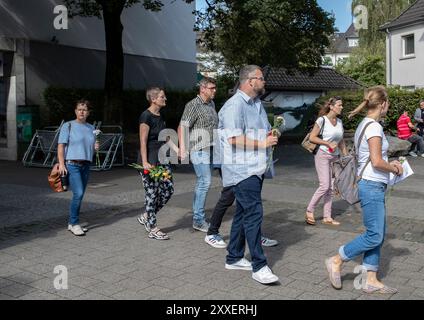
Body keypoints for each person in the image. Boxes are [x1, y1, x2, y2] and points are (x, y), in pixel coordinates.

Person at [325, 86, 403, 293]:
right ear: (383, 104)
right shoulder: (374, 127)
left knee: (377, 232)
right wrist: (394, 167)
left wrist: (389, 161)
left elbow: (373, 157)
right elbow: (377, 161)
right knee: (375, 235)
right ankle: (337, 259)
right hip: (371, 184)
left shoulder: (364, 124)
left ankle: (370, 278)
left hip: (371, 183)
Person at [218, 65, 279, 284]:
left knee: (244, 213)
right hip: (241, 170)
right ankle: (259, 265)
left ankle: (234, 257)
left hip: (256, 167)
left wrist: (269, 135)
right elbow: (234, 139)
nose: (264, 82)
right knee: (254, 213)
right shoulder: (234, 106)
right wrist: (262, 143)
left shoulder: (257, 104)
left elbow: (260, 131)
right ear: (250, 80)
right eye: (261, 78)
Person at [178, 77, 218, 232]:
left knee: (203, 182)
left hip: (211, 149)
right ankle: (198, 220)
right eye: (212, 88)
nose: (215, 90)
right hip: (199, 149)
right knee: (205, 182)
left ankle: (197, 216)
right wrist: (182, 148)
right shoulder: (193, 105)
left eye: (215, 88)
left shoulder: (211, 104)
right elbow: (183, 127)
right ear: (203, 89)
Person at [204, 167, 279, 249]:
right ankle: (211, 233)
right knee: (228, 197)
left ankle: (255, 236)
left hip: (255, 166)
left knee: (252, 199)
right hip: (232, 164)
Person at [137, 87, 175, 240]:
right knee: (152, 194)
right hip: (150, 161)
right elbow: (143, 140)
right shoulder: (145, 116)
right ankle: (152, 227)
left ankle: (146, 214)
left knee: (168, 190)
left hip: (162, 159)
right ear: (153, 99)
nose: (164, 99)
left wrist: (177, 150)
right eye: (162, 97)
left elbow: (165, 137)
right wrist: (145, 161)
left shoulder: (160, 115)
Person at [58, 99, 99, 236]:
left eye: (85, 109)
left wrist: (95, 148)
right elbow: (61, 145)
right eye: (79, 109)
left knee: (79, 195)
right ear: (75, 111)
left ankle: (72, 222)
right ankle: (74, 223)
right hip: (72, 164)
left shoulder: (91, 128)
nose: (82, 111)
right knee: (79, 193)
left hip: (86, 165)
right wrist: (62, 164)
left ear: (88, 112)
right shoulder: (68, 126)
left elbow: (91, 148)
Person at [305, 97, 348, 226]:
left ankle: (327, 217)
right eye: (339, 105)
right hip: (322, 154)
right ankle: (309, 210)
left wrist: (345, 157)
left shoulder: (339, 121)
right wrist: (327, 143)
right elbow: (312, 137)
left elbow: (341, 140)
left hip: (335, 157)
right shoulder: (322, 120)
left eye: (342, 105)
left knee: (330, 187)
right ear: (332, 106)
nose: (342, 107)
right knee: (324, 185)